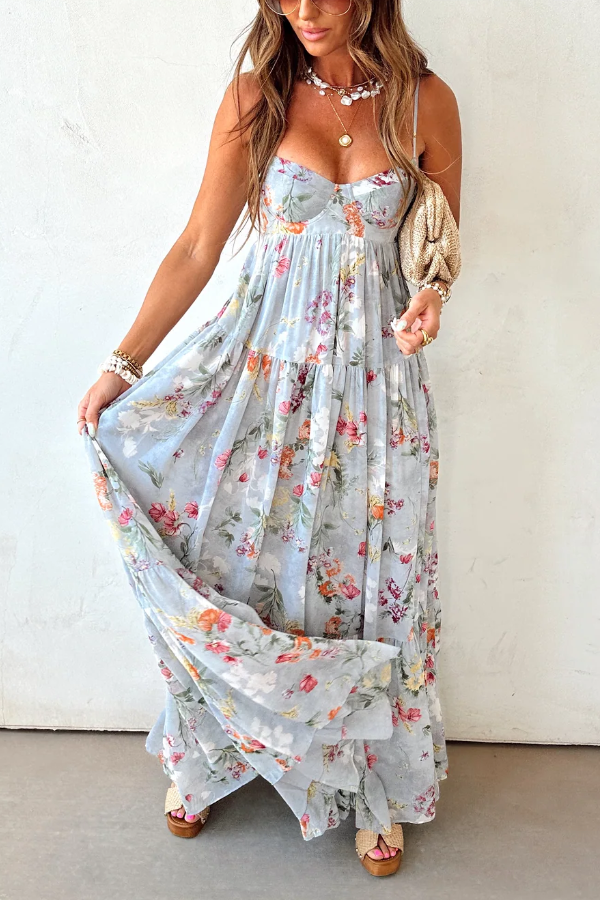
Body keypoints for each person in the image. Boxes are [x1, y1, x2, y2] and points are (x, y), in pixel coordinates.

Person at [77, 0, 461, 878]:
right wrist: (123, 365)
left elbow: (439, 246)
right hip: (263, 375)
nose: (306, 10)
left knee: (376, 581)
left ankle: (372, 785)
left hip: (376, 388)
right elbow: (198, 246)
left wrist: (429, 301)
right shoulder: (257, 97)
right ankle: (211, 754)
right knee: (243, 563)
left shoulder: (425, 101)